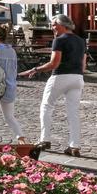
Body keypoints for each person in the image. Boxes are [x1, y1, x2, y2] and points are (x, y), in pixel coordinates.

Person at [20, 14, 86, 156]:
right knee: (73, 112)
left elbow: (53, 64)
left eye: (54, 24)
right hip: (78, 77)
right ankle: (75, 146)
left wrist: (35, 69)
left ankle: (45, 139)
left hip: (60, 76)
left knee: (47, 105)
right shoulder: (81, 41)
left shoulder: (59, 40)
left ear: (62, 25)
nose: (52, 28)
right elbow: (83, 65)